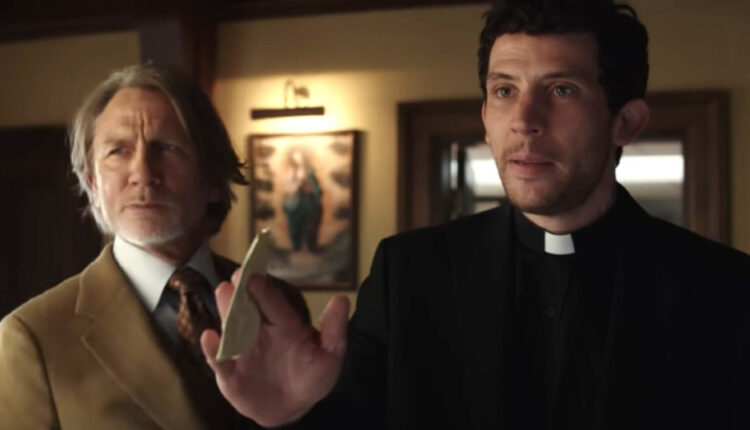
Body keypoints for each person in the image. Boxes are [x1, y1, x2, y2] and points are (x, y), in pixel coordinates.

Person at [202, 0, 750, 429]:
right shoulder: (409, 274)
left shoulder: (726, 291)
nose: (525, 120)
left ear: (625, 122)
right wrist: (290, 417)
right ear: (486, 116)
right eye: (505, 91)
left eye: (561, 89)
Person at [0, 65, 286, 429]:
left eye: (166, 147)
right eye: (118, 151)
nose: (143, 174)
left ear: (213, 178)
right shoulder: (34, 336)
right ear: (93, 184)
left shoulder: (278, 304)